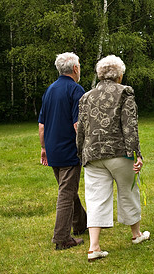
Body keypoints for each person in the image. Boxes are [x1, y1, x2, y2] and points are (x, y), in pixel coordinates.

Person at [77, 55, 150, 262]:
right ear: (119, 75)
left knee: (95, 198)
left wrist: (80, 152)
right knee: (128, 191)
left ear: (100, 75)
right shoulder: (125, 92)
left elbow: (80, 129)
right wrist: (137, 154)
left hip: (92, 154)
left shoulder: (86, 97)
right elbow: (130, 127)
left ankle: (94, 247)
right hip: (119, 153)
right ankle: (136, 234)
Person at [38, 52, 87, 250]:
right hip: (69, 150)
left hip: (52, 149)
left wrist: (43, 148)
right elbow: (78, 124)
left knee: (68, 189)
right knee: (66, 193)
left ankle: (81, 224)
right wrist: (85, 147)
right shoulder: (76, 90)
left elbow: (42, 125)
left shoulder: (49, 90)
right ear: (75, 69)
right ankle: (62, 238)